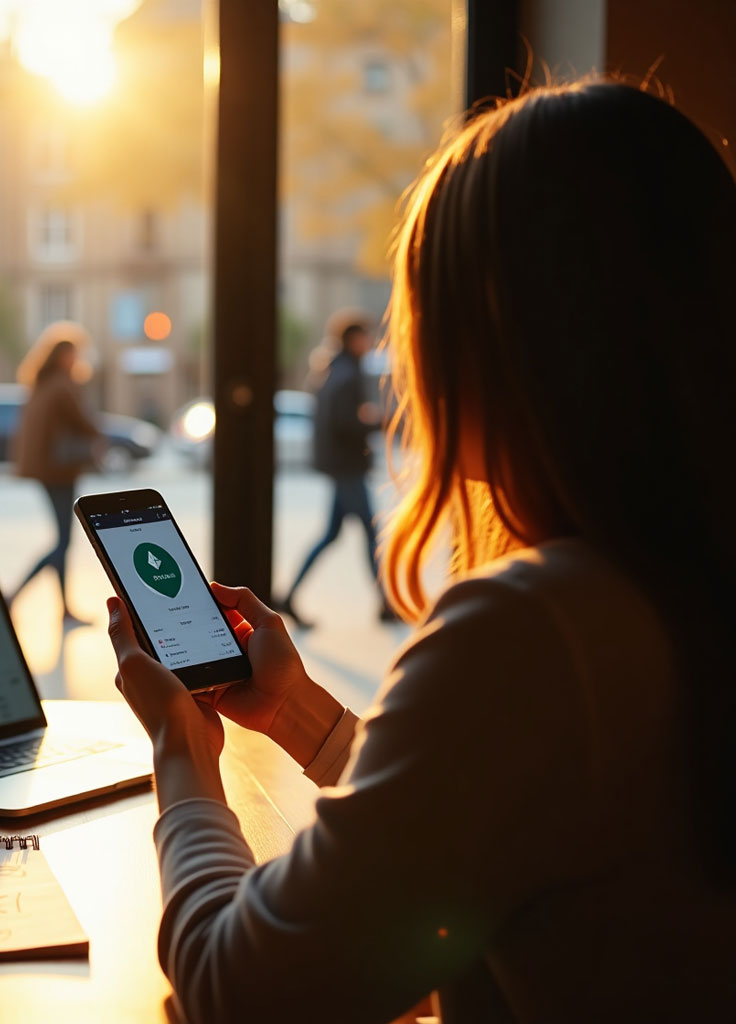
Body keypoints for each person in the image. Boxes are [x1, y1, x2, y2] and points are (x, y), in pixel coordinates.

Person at [104, 79, 736, 1023]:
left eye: (426, 316)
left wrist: (181, 756)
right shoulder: (671, 581)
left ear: (506, 339)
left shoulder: (537, 627)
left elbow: (241, 992)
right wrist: (302, 718)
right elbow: (512, 804)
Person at [277, 320, 394, 628]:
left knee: (331, 535)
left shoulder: (332, 370)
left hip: (340, 466)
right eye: (368, 336)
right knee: (371, 533)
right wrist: (371, 419)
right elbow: (343, 422)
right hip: (348, 467)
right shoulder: (348, 373)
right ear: (355, 339)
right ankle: (385, 603)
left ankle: (289, 597)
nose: (371, 342)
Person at [9, 335, 103, 625]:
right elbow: (83, 422)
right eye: (74, 355)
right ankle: (15, 595)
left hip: (49, 470)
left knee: (62, 539)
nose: (77, 360)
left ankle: (61, 608)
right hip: (60, 470)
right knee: (63, 541)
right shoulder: (62, 385)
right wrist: (99, 435)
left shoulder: (42, 383)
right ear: (63, 357)